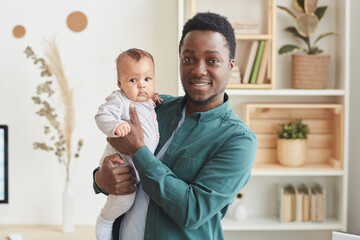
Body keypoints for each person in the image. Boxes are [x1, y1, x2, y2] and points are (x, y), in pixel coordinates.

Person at [93, 12, 257, 240]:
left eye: (212, 60)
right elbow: (114, 162)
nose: (199, 70)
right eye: (189, 59)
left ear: (230, 67)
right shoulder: (153, 107)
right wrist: (101, 178)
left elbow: (192, 211)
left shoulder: (238, 140)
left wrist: (139, 151)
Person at [94, 48, 162, 240]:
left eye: (147, 79)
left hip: (137, 167)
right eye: (133, 80)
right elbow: (101, 116)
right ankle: (105, 222)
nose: (141, 86)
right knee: (124, 200)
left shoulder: (148, 100)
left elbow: (147, 109)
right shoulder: (120, 99)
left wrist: (152, 99)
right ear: (120, 84)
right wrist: (116, 126)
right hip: (120, 163)